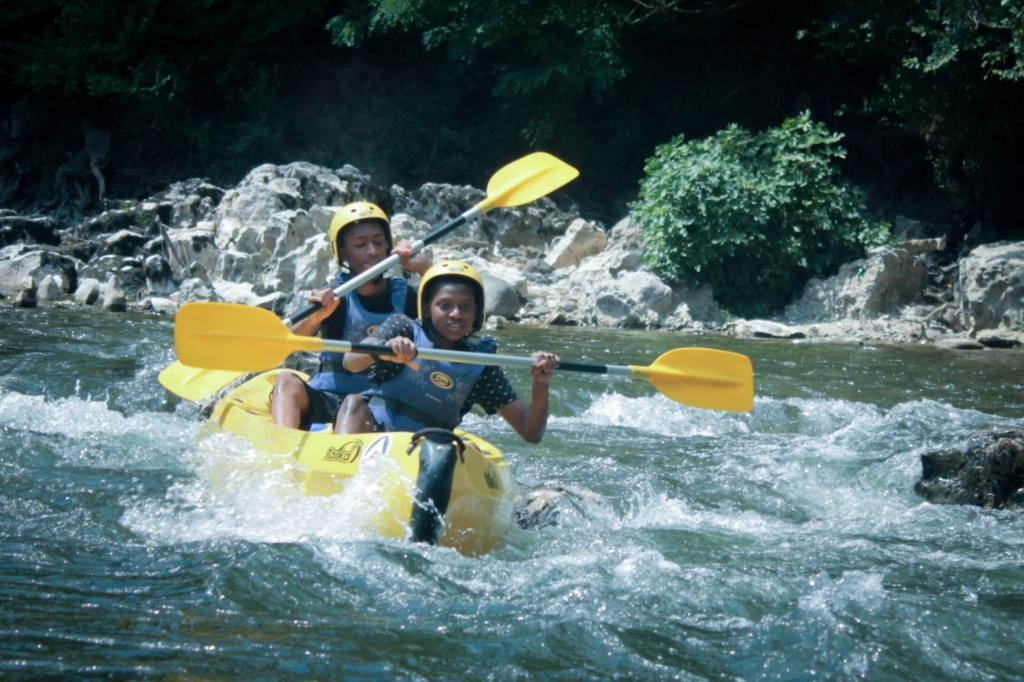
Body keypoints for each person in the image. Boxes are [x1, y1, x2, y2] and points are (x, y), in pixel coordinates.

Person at [334, 260, 560, 444]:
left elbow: (531, 433)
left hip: (430, 451)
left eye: (466, 306)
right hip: (374, 439)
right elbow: (350, 362)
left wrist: (540, 385)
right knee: (353, 402)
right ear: (427, 309)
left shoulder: (481, 365)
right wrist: (384, 351)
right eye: (445, 305)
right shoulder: (402, 327)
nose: (456, 314)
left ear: (477, 312)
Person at [271, 201, 432, 432]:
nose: (372, 251)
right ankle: (282, 447)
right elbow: (288, 343)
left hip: (380, 405)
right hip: (328, 396)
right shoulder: (333, 296)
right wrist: (315, 317)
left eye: (378, 242)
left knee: (354, 404)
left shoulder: (407, 297)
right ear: (343, 251)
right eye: (360, 244)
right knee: (286, 381)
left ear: (388, 245)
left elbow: (453, 325)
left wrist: (425, 269)